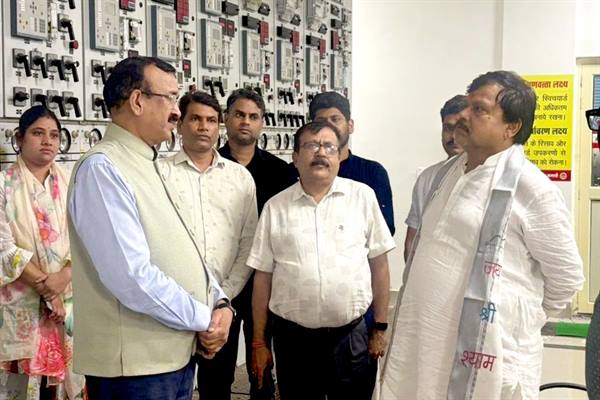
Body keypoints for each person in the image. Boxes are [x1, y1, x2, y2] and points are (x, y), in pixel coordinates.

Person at [381, 71, 584, 400]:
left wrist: (514, 315)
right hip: (427, 346)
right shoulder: (444, 175)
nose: (463, 115)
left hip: (489, 358)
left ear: (511, 127)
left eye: (479, 109)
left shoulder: (532, 189)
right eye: (467, 105)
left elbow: (567, 278)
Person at [68, 56, 233, 400]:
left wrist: (220, 303)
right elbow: (131, 276)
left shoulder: (148, 161)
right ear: (137, 101)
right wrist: (203, 317)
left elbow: (185, 248)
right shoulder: (103, 169)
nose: (177, 111)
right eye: (170, 97)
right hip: (135, 371)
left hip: (172, 357)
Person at [249, 121, 395, 400]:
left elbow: (380, 265)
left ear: (339, 156)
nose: (321, 152)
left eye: (329, 146)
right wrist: (258, 341)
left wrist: (379, 327)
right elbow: (263, 277)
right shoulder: (275, 208)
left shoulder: (362, 197)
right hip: (294, 341)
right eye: (311, 145)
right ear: (295, 157)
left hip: (351, 337)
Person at [158, 91, 258, 400]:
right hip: (172, 305)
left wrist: (223, 298)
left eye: (211, 121)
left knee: (218, 387)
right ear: (180, 125)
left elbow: (248, 244)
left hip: (224, 308)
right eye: (196, 119)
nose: (204, 127)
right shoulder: (159, 173)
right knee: (171, 388)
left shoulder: (240, 178)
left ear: (219, 127)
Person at [0, 105, 84, 399]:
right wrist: (49, 291)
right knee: (22, 387)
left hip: (69, 301)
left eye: (54, 135)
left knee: (63, 387)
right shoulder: (3, 185)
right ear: (19, 138)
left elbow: (87, 238)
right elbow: (3, 247)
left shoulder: (73, 182)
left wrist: (65, 276)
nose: (47, 141)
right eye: (38, 133)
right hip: (21, 306)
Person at [218, 88, 292, 398]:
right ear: (226, 119)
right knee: (217, 366)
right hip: (221, 278)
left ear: (262, 122)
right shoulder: (210, 166)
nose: (245, 122)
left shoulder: (280, 172)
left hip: (264, 280)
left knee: (261, 364)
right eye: (239, 115)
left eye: (253, 116)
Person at [305, 91, 395, 235]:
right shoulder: (296, 172)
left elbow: (384, 230)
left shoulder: (372, 173)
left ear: (350, 125)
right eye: (321, 122)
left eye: (335, 119)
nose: (329, 126)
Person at [404, 94, 467, 261]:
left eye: (462, 129)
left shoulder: (485, 178)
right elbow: (412, 239)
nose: (454, 137)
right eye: (448, 128)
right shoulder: (427, 178)